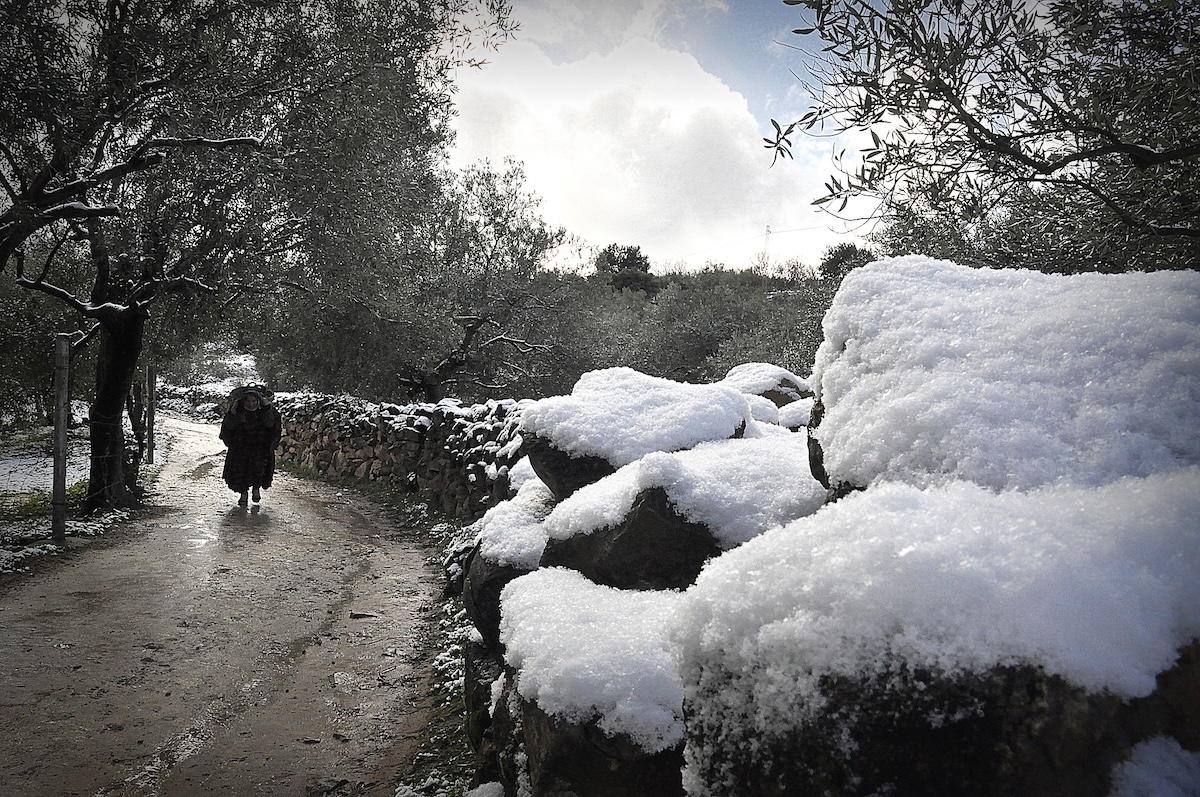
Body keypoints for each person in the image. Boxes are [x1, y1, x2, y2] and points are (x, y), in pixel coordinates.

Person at [220, 385, 281, 506]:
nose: (251, 404)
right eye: (248, 401)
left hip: (260, 447)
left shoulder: (266, 411)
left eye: (254, 401)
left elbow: (271, 425)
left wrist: (266, 408)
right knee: (240, 471)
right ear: (243, 401)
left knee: (259, 469)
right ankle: (243, 494)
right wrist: (232, 415)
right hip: (240, 447)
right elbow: (229, 427)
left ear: (258, 401)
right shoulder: (237, 411)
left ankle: (256, 489)